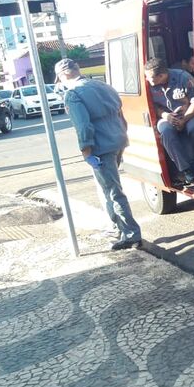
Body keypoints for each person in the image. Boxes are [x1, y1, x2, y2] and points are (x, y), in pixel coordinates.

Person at [54, 58, 142, 250]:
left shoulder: (73, 94)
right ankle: (117, 227)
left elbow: (83, 126)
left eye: (60, 78)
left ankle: (131, 234)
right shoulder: (103, 86)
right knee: (107, 188)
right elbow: (120, 114)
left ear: (64, 75)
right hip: (118, 140)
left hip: (100, 147)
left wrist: (86, 151)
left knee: (112, 191)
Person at [143, 58, 194, 185]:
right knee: (165, 132)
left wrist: (184, 120)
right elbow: (153, 106)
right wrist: (165, 115)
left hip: (188, 114)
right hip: (166, 116)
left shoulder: (183, 78)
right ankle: (185, 170)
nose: (146, 79)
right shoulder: (149, 86)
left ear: (161, 76)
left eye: (149, 77)